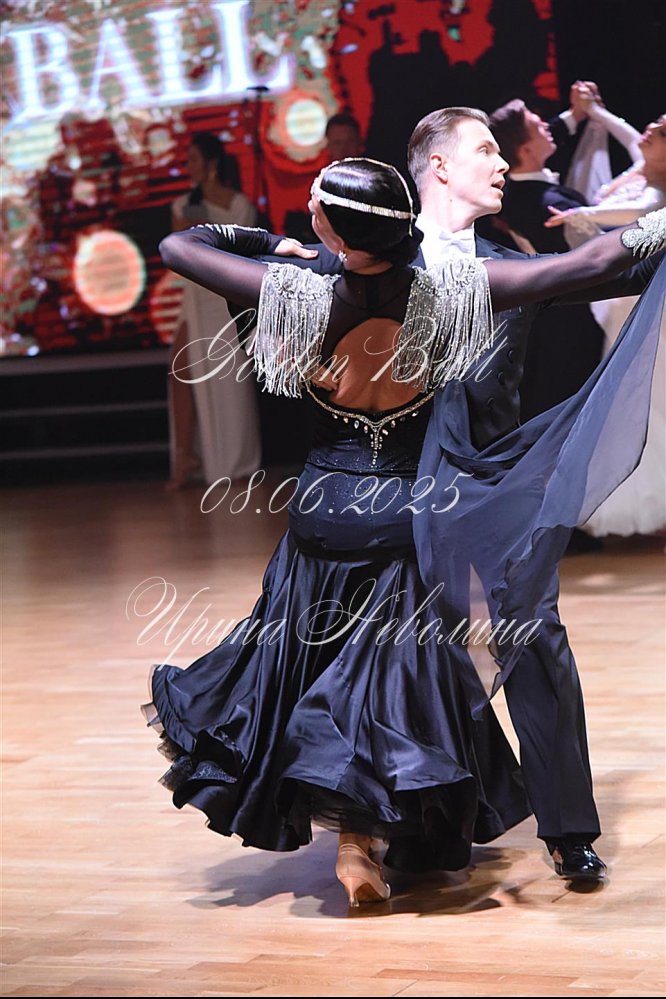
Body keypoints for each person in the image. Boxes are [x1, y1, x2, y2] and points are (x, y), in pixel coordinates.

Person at [147, 155, 665, 907]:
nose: (309, 215)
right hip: (406, 514)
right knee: (383, 683)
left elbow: (179, 246)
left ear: (342, 237)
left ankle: (356, 840)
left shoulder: (293, 290)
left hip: (323, 511)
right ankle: (366, 835)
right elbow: (585, 265)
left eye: (317, 209)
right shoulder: (454, 294)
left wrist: (267, 242)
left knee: (319, 666)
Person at [544, 111, 666, 537]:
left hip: (646, 302)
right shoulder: (643, 164)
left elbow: (644, 211)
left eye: (660, 132)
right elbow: (630, 134)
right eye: (655, 125)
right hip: (625, 303)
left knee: (650, 393)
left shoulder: (656, 191)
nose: (648, 132)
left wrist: (584, 214)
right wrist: (594, 112)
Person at [168, 132, 261, 489]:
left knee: (228, 379)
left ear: (212, 164)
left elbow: (243, 252)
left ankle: (235, 461)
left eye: (193, 159)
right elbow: (181, 254)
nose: (188, 166)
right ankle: (186, 457)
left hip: (226, 296)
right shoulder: (183, 206)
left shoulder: (238, 205)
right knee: (180, 369)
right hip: (195, 298)